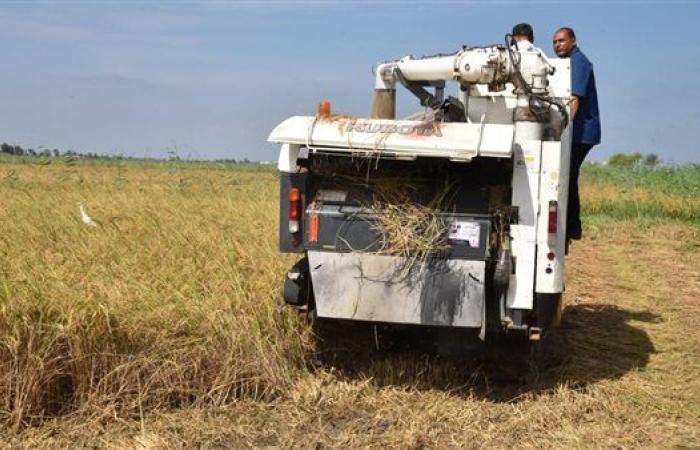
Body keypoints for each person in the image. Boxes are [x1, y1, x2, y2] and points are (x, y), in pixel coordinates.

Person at [552, 27, 601, 241]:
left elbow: (574, 100)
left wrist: (561, 130)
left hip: (581, 133)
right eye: (554, 42)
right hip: (578, 132)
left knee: (567, 176)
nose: (557, 45)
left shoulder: (578, 62)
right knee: (568, 176)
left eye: (562, 40)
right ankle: (572, 226)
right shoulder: (568, 63)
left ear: (573, 41)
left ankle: (572, 227)